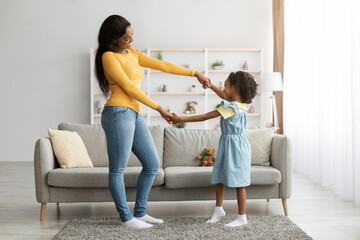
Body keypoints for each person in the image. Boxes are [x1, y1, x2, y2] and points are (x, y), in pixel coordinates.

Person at [94, 15, 209, 229]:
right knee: (118, 169)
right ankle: (127, 218)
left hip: (134, 114)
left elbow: (163, 65)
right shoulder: (108, 57)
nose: (131, 41)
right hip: (118, 112)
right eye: (126, 38)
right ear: (113, 39)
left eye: (132, 35)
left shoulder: (133, 54)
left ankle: (140, 212)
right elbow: (129, 88)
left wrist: (195, 73)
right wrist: (159, 109)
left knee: (152, 164)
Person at [170, 71, 258, 227]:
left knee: (239, 182)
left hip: (236, 148)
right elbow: (224, 96)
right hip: (228, 143)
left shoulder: (231, 108)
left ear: (235, 88)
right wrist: (211, 86)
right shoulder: (241, 103)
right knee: (219, 176)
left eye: (225, 85)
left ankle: (242, 217)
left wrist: (180, 119)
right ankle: (219, 209)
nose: (222, 89)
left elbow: (204, 117)